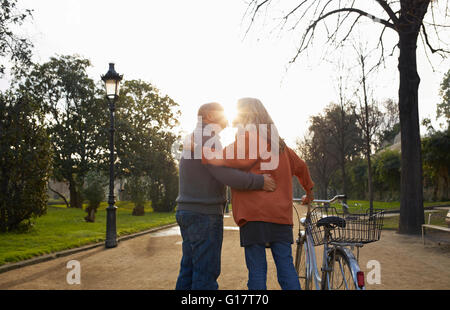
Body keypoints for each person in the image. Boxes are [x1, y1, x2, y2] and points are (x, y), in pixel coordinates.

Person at [202, 97, 314, 290]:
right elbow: (302, 167)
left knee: (257, 271)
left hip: (253, 215)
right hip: (280, 216)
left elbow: (219, 158)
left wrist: (197, 150)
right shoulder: (282, 147)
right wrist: (308, 193)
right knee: (286, 268)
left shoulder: (246, 141)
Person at [175, 102, 277, 290]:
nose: (226, 116)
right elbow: (224, 173)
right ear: (210, 115)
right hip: (203, 214)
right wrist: (259, 181)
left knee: (188, 271)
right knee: (205, 275)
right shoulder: (208, 138)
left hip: (187, 211)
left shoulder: (196, 137)